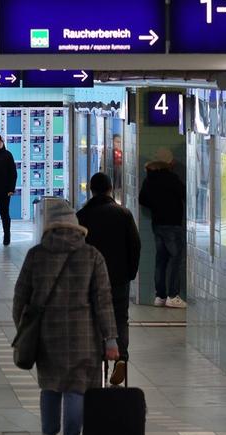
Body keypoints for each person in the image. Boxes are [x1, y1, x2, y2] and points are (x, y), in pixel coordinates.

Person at [13, 198, 119, 435]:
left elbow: (20, 297)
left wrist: (23, 328)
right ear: (76, 228)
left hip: (48, 334)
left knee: (50, 388)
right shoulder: (92, 256)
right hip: (85, 336)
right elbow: (103, 301)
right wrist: (110, 339)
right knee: (76, 390)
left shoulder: (36, 255)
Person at [77, 172, 141, 386]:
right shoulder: (123, 214)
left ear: (91, 190)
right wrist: (130, 272)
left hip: (90, 279)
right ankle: (120, 356)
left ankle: (97, 359)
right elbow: (135, 245)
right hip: (118, 277)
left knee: (93, 318)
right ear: (110, 189)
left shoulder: (82, 216)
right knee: (120, 317)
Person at [138, 148, 188, 309]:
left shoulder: (149, 179)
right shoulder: (172, 179)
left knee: (161, 260)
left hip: (157, 224)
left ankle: (160, 296)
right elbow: (184, 194)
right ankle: (173, 295)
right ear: (168, 163)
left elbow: (143, 200)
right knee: (176, 259)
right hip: (172, 224)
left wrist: (157, 206)